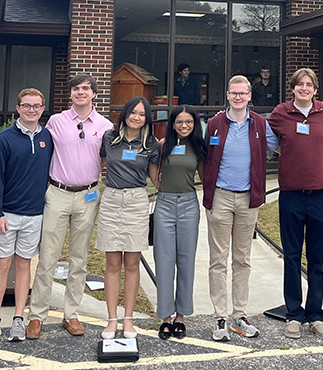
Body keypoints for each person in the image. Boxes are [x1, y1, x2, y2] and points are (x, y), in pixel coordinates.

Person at [268, 68, 323, 340]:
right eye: (300, 85)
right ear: (293, 88)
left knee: (316, 259)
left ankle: (316, 314)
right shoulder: (280, 114)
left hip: (322, 196)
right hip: (292, 197)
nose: (304, 89)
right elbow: (259, 136)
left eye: (309, 85)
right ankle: (294, 314)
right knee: (292, 257)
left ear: (316, 89)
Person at [26, 74, 114, 339]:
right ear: (71, 93)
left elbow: (113, 159)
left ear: (94, 94)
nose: (80, 92)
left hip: (88, 194)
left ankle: (71, 314)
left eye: (86, 88)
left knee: (79, 258)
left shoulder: (105, 125)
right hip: (58, 192)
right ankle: (36, 316)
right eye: (76, 88)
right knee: (48, 256)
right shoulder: (56, 121)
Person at [204, 75, 279, 342]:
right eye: (233, 93)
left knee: (242, 259)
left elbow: (283, 147)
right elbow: (204, 157)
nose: (238, 97)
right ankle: (219, 317)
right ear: (227, 95)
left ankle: (239, 314)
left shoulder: (260, 124)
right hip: (221, 197)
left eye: (242, 93)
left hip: (248, 199)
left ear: (250, 95)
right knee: (217, 260)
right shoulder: (214, 124)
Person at [0, 88, 53, 343]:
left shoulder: (48, 137)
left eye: (36, 106)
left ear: (42, 109)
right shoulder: (4, 138)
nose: (31, 110)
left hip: (34, 215)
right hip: (7, 215)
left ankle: (19, 318)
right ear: (19, 108)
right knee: (1, 265)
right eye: (26, 105)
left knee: (24, 265)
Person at [97, 96, 160, 339]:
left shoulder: (151, 145)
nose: (137, 117)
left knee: (132, 264)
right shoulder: (109, 138)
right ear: (124, 114)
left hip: (136, 201)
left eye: (142, 114)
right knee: (112, 264)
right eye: (133, 112)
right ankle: (112, 319)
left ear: (147, 119)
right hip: (111, 199)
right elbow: (99, 164)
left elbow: (156, 178)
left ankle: (128, 320)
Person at [153, 105, 206, 340]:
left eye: (189, 122)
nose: (184, 126)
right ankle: (165, 316)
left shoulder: (198, 146)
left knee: (186, 261)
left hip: (188, 204)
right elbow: (153, 170)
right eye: (179, 122)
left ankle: (181, 316)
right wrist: (158, 184)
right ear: (172, 123)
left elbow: (204, 177)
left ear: (195, 124)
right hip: (164, 204)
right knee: (164, 260)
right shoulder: (164, 144)